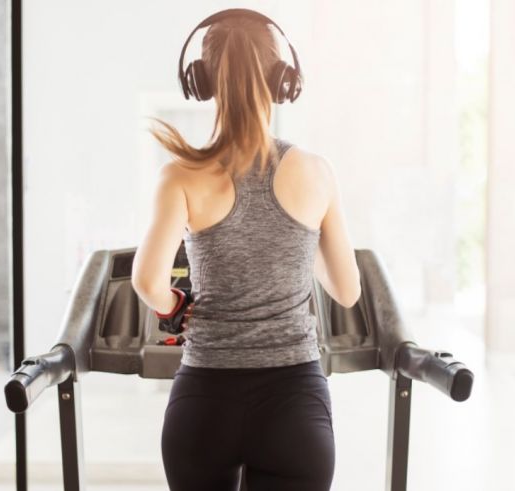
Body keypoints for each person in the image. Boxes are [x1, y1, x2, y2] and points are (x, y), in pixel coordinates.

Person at [130, 8, 360, 491]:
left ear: (202, 80)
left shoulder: (179, 175)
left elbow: (148, 281)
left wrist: (178, 307)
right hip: (294, 408)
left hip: (204, 405)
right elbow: (346, 290)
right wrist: (298, 241)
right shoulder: (317, 172)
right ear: (283, 80)